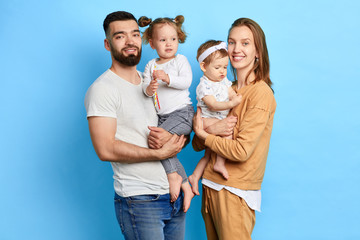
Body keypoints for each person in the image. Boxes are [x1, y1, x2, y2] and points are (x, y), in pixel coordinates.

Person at [84, 11, 187, 240]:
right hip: (140, 200)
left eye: (135, 34)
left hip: (173, 194)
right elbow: (105, 149)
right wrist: (159, 152)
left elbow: (176, 124)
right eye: (120, 36)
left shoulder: (151, 81)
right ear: (107, 44)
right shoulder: (103, 89)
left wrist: (183, 178)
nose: (130, 41)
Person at [192, 18, 277, 240]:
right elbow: (195, 143)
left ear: (258, 51)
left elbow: (240, 151)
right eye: (232, 42)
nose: (236, 49)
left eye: (245, 43)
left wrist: (205, 132)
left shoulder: (260, 93)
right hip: (210, 187)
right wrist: (211, 130)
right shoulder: (222, 89)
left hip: (235, 191)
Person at [138, 15, 195, 212]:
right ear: (152, 44)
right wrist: (150, 88)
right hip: (163, 117)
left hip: (182, 114)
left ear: (178, 38)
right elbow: (145, 87)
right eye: (162, 40)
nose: (168, 44)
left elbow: (186, 81)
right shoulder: (150, 65)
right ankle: (185, 184)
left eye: (173, 39)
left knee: (157, 141)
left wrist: (168, 78)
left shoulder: (180, 60)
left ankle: (173, 176)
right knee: (156, 142)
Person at [188, 40, 242, 196]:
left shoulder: (223, 81)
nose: (222, 71)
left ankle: (194, 176)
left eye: (225, 67)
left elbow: (230, 91)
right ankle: (220, 163)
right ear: (204, 67)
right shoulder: (204, 86)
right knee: (227, 133)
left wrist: (234, 96)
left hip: (216, 118)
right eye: (217, 67)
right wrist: (231, 103)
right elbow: (213, 105)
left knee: (208, 154)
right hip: (207, 119)